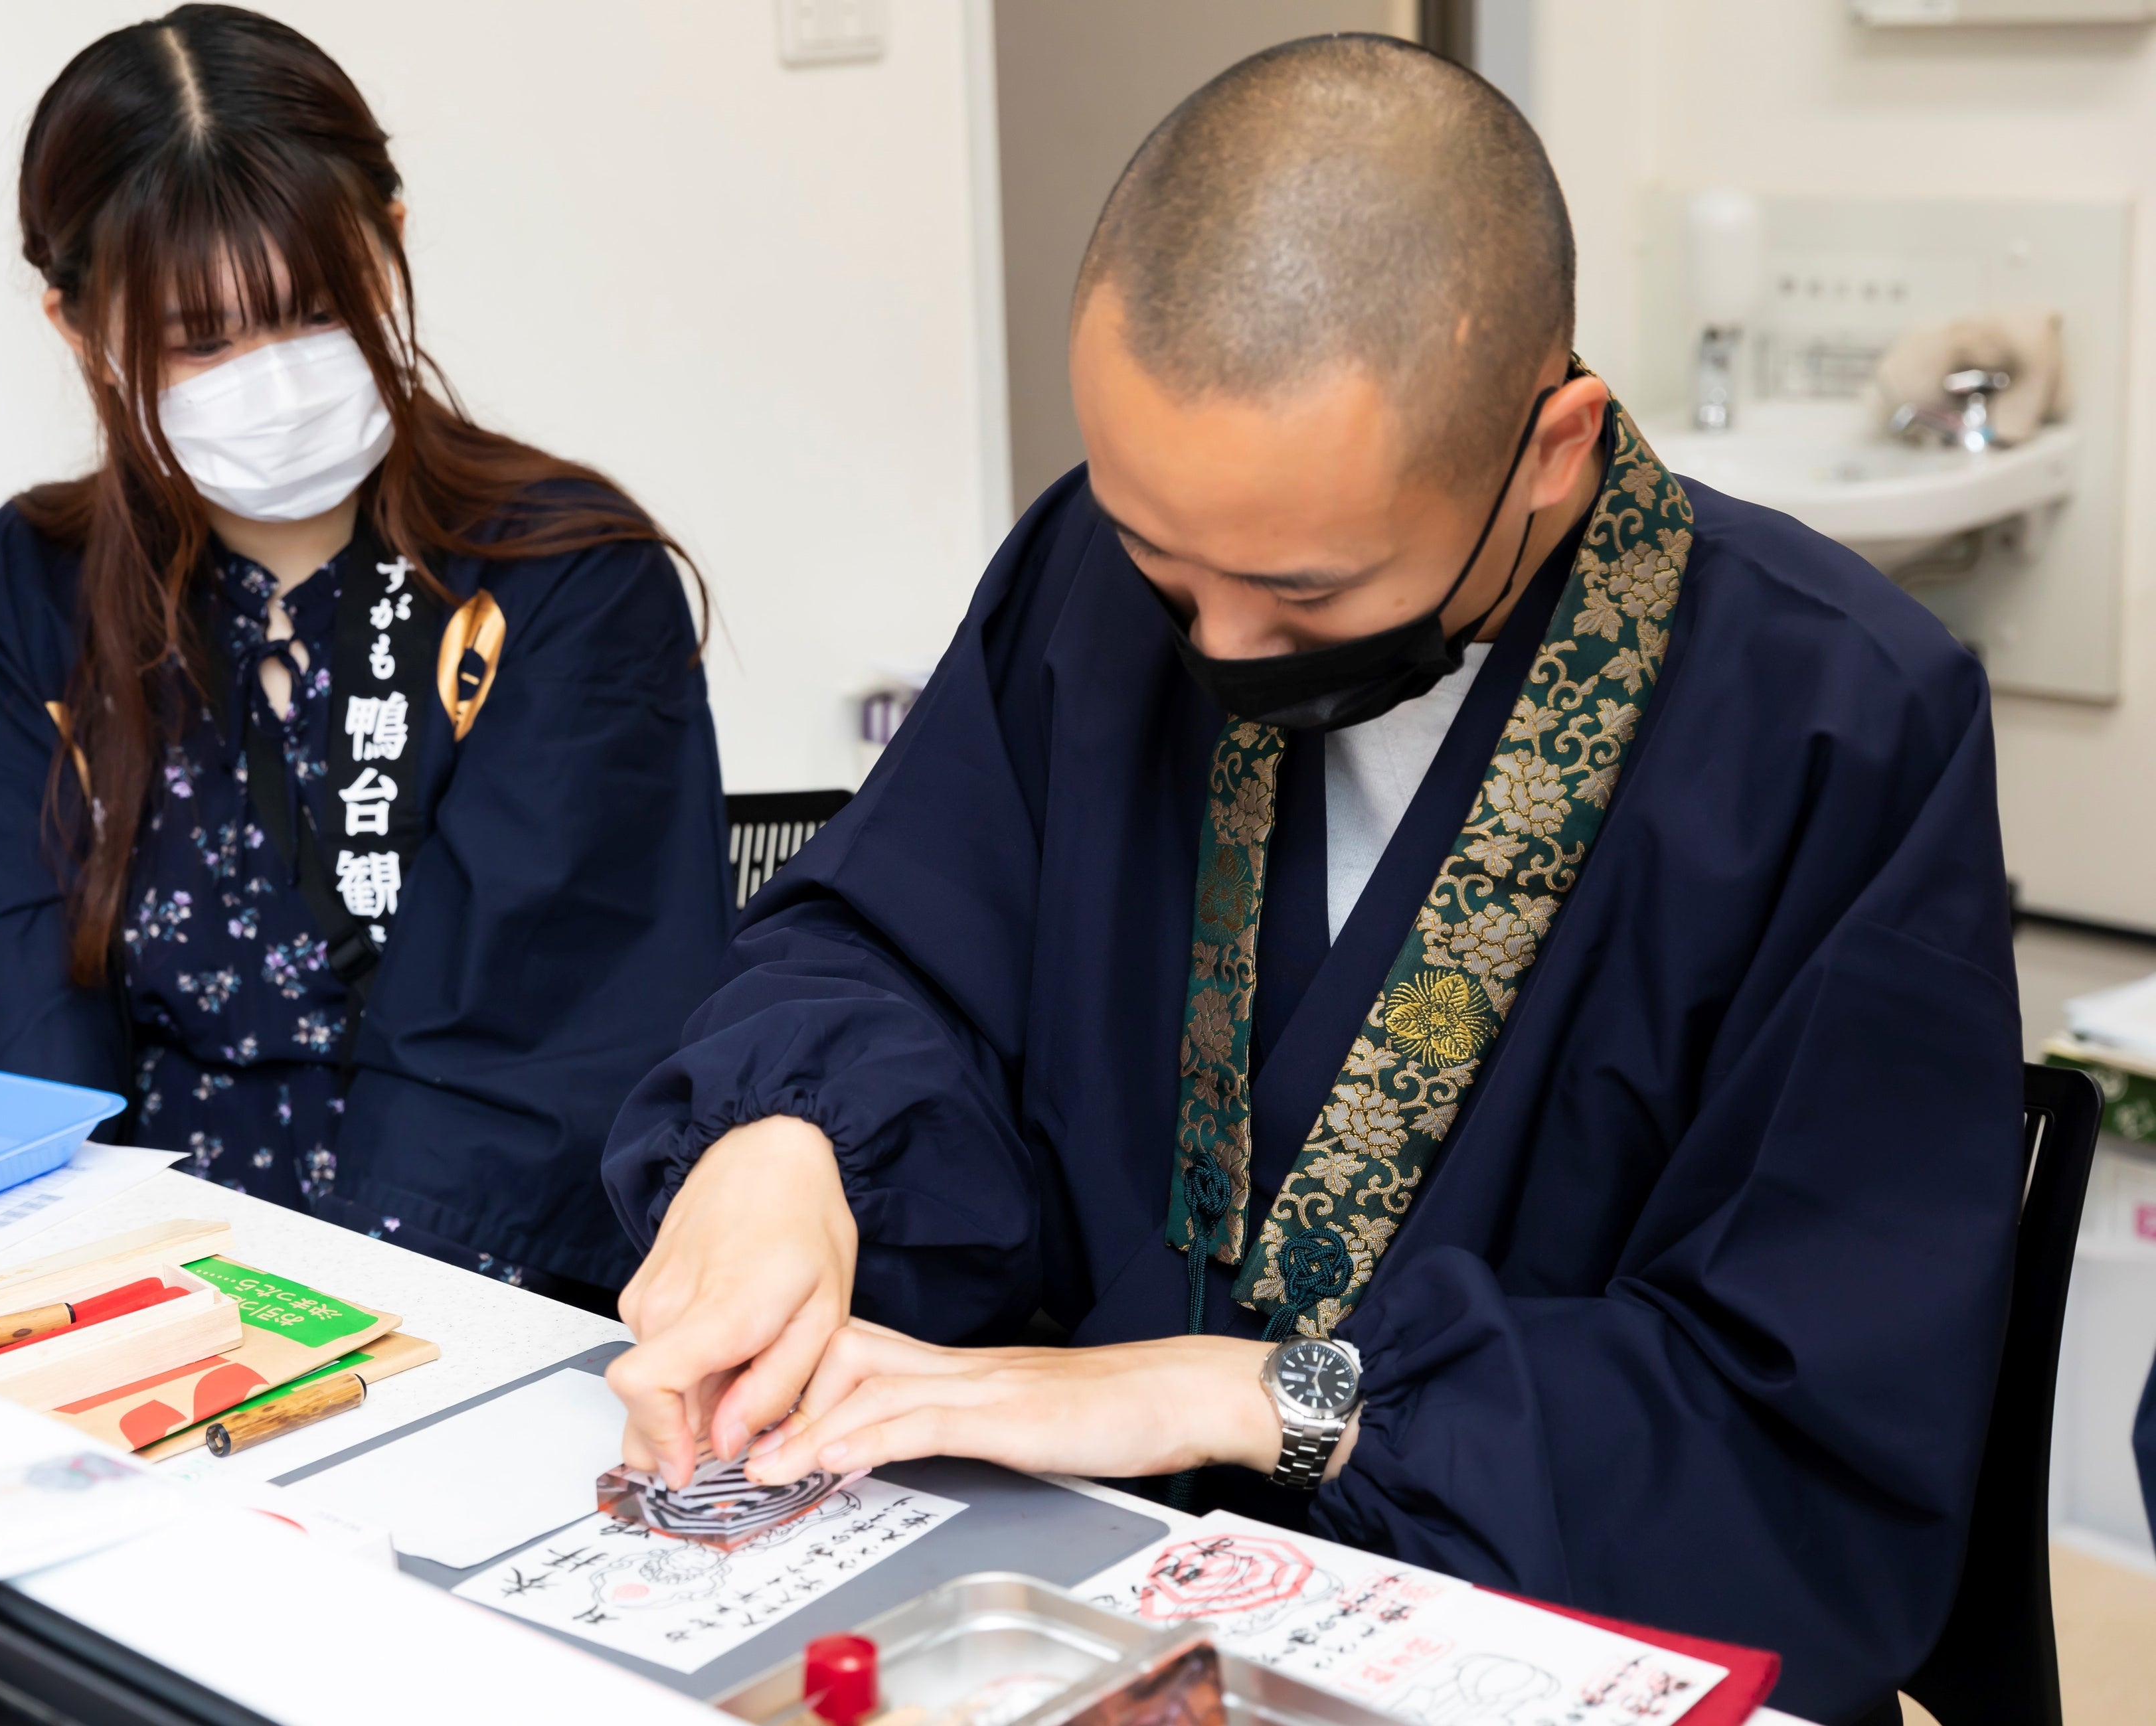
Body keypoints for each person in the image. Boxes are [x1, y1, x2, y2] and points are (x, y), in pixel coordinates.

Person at [601, 37, 2019, 1726]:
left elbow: (1802, 1441)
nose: (1213, 645)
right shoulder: (1096, 574)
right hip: (1081, 1594)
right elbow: (890, 938)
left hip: (1519, 1642)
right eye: (1160, 562)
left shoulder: (1835, 725)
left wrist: (1241, 1393)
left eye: (1303, 592)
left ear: (1550, 448)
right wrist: (790, 1144)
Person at [0, 5, 728, 1308]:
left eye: (318, 310)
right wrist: (81, 1302)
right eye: (200, 339)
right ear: (80, 329)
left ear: (394, 246)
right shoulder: (20, 597)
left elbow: (541, 1068)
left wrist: (334, 1336)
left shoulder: (564, 582)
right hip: (117, 1298)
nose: (270, 374)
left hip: (470, 1308)